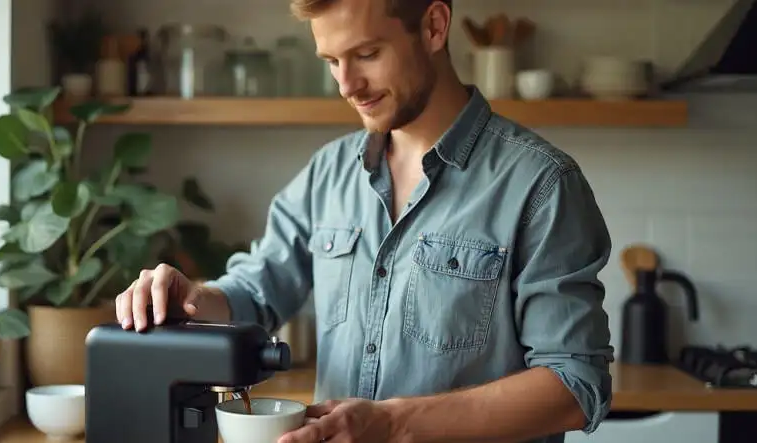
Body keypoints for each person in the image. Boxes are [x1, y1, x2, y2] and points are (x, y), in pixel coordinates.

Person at [115, 0, 615, 441]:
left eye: (367, 54)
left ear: (434, 26)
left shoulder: (542, 185)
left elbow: (575, 385)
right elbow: (257, 293)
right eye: (332, 61)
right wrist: (195, 297)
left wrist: (395, 423)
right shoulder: (327, 174)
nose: (347, 85)